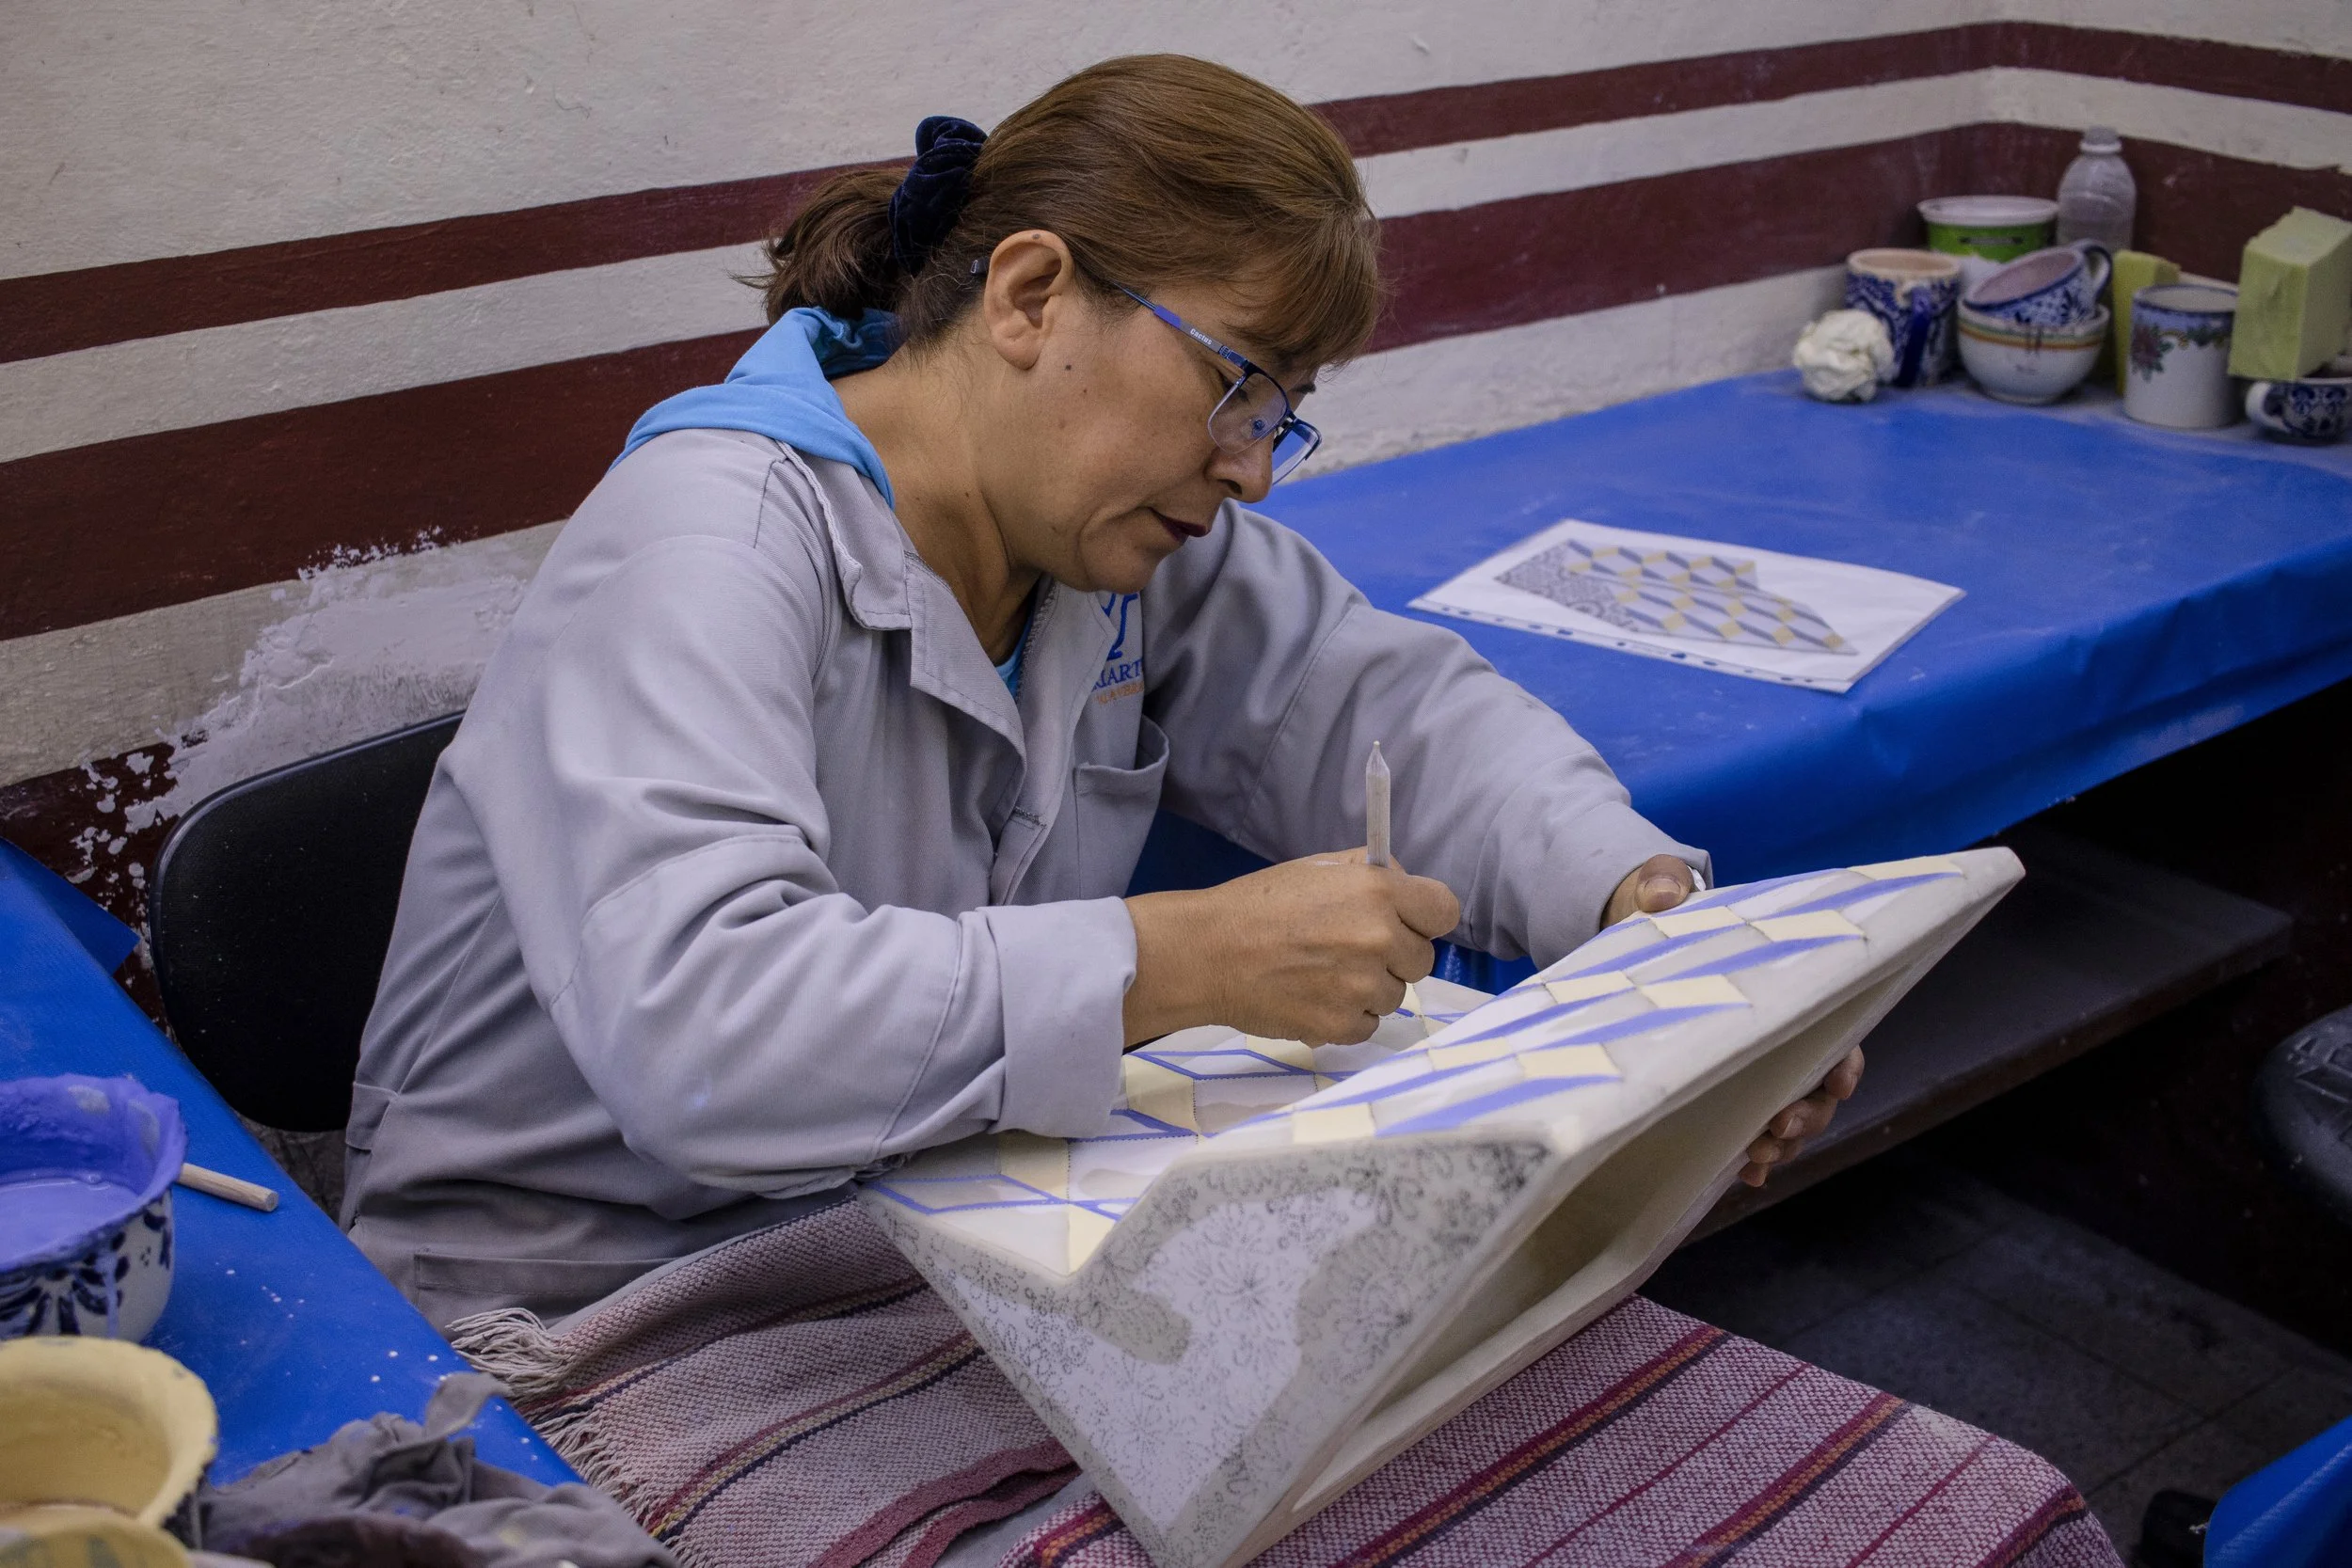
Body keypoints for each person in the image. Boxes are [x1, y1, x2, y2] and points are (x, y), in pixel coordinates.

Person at [342, 55, 1862, 1331]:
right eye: (1235, 384)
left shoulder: (1107, 545)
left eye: (1285, 417)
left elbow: (1381, 703)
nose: (1253, 465)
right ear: (1028, 294)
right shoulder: (711, 544)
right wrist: (1169, 959)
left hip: (888, 1238)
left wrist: (1641, 905)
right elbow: (707, 1031)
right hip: (582, 1312)